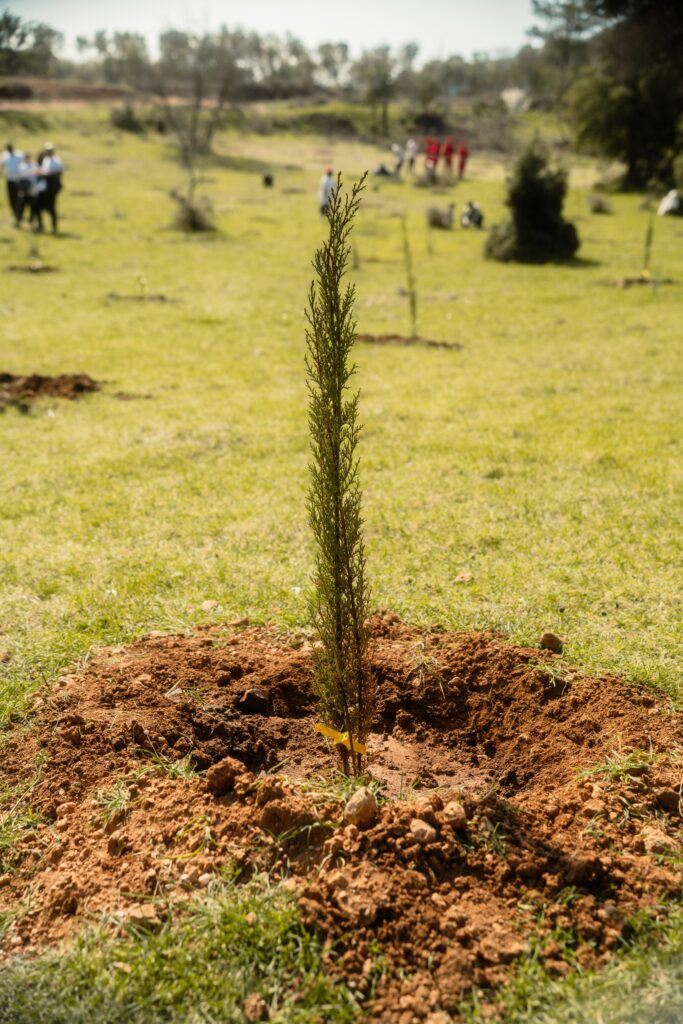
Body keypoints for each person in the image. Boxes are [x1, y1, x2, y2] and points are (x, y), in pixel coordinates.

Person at [39, 142, 63, 234]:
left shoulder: (56, 160)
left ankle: (54, 227)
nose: (47, 152)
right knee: (42, 206)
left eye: (49, 151)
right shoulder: (46, 159)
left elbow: (58, 172)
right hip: (45, 186)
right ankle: (42, 226)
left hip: (52, 187)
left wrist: (47, 174)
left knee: (52, 207)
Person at [1, 142, 25, 227]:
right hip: (10, 180)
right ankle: (16, 215)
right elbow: (2, 166)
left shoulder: (19, 155)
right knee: (11, 198)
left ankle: (19, 215)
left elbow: (24, 164)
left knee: (19, 198)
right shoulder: (4, 156)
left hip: (18, 180)